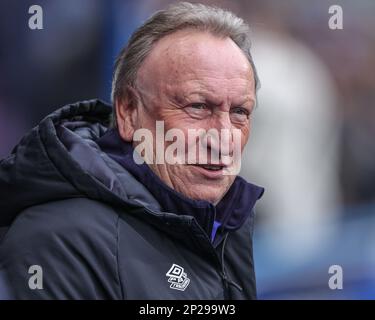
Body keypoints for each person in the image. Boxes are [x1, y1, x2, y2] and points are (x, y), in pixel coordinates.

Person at [0, 2, 263, 300]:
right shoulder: (57, 241)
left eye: (240, 112)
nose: (223, 139)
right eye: (198, 107)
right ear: (128, 111)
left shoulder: (225, 227)